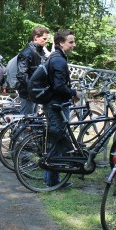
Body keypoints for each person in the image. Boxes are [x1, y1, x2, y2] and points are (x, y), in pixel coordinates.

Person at [43, 29, 81, 188]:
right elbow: (59, 86)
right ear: (60, 43)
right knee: (57, 141)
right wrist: (73, 92)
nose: (74, 45)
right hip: (56, 104)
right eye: (71, 42)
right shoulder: (59, 60)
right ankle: (53, 181)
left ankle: (51, 179)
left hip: (54, 103)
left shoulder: (56, 57)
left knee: (56, 140)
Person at [16, 26, 50, 115]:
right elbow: (21, 74)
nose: (46, 41)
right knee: (26, 122)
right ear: (36, 37)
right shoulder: (27, 53)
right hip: (28, 93)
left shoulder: (40, 52)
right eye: (44, 39)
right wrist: (31, 87)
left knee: (33, 121)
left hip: (36, 92)